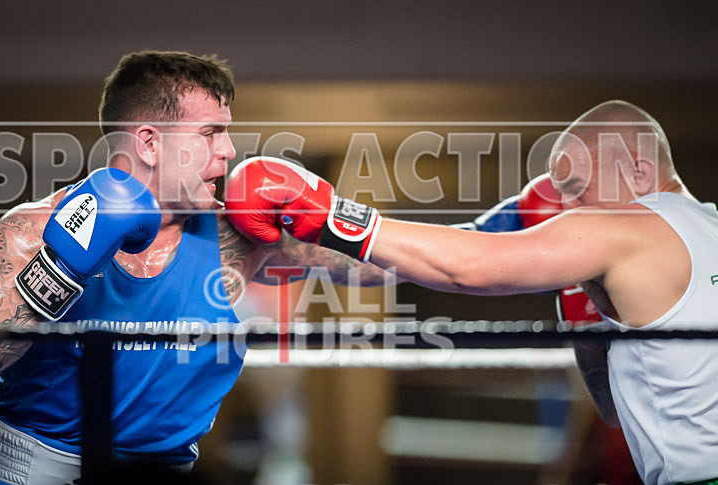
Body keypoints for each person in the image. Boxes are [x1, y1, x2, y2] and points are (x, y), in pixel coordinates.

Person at [0, 50, 387, 484]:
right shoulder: (33, 228)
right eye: (210, 133)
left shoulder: (236, 235)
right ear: (149, 142)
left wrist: (330, 212)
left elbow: (377, 269)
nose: (228, 150)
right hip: (16, 475)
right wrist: (64, 265)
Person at [227, 100, 718, 484]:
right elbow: (616, 410)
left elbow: (466, 268)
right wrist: (281, 248)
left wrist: (328, 212)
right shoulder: (704, 227)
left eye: (575, 187)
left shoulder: (625, 229)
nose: (565, 207)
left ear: (639, 172)